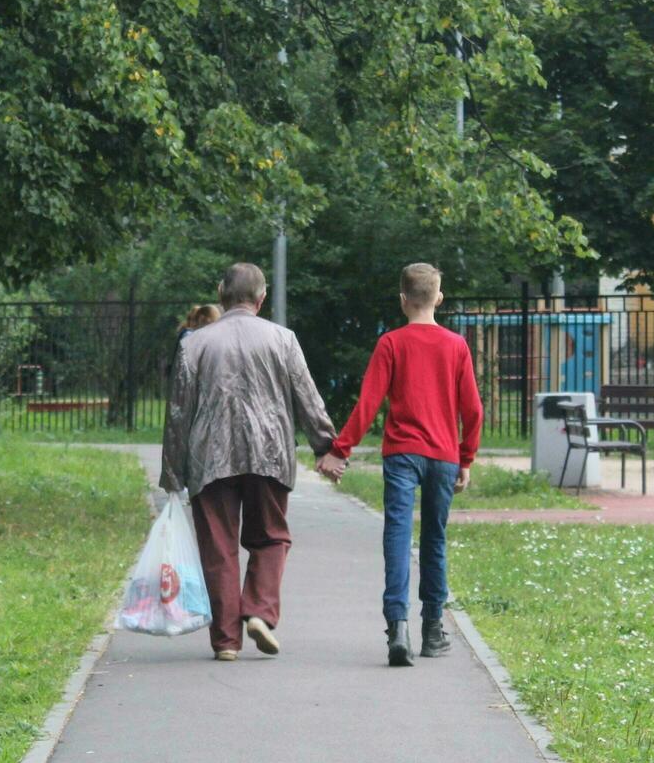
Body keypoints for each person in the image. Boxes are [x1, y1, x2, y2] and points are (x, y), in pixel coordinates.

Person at [161, 263, 337, 661]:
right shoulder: (283, 339)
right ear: (261, 298)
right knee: (272, 537)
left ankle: (225, 641)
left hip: (210, 458)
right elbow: (307, 397)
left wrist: (173, 473)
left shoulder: (195, 344)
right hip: (270, 454)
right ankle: (258, 611)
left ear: (221, 293)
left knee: (218, 548)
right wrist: (326, 445)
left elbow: (178, 413)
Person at [318, 263, 483, 667]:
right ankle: (432, 630)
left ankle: (398, 627)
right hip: (443, 456)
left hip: (402, 455)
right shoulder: (456, 346)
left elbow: (368, 403)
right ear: (439, 298)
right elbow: (473, 409)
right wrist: (466, 457)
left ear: (402, 301)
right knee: (435, 539)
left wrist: (341, 449)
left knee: (396, 534)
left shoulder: (390, 343)